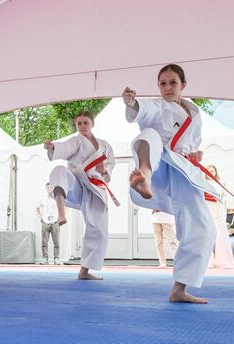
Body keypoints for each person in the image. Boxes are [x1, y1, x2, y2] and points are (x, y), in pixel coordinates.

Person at [122, 63, 220, 303]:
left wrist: (195, 155)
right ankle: (143, 175)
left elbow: (191, 143)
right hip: (158, 164)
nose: (167, 88)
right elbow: (141, 110)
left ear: (183, 85)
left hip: (182, 170)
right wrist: (131, 102)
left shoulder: (194, 113)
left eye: (173, 83)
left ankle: (179, 289)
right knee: (149, 135)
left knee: (204, 228)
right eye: (163, 83)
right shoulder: (157, 106)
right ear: (158, 86)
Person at [44, 111, 116, 280]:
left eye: (86, 123)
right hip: (76, 183)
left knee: (98, 230)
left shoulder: (105, 146)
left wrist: (103, 170)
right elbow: (64, 148)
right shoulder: (76, 141)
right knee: (59, 170)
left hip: (96, 189)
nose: (82, 126)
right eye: (79, 124)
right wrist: (52, 147)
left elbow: (109, 171)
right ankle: (61, 213)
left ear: (93, 124)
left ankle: (84, 271)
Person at [204, 165, 234, 268]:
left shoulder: (221, 183)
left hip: (219, 211)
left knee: (221, 236)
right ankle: (208, 261)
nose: (211, 173)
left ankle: (222, 261)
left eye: (212, 171)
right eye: (209, 171)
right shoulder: (203, 183)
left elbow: (226, 197)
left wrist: (221, 199)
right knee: (208, 236)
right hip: (208, 211)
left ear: (216, 172)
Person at [36, 182, 61, 265]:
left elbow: (63, 207)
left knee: (56, 242)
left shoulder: (57, 198)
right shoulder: (42, 199)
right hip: (45, 222)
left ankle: (56, 258)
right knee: (44, 242)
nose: (49, 189)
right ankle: (45, 258)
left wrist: (60, 217)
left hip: (55, 222)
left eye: (51, 187)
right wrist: (40, 218)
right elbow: (37, 208)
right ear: (46, 188)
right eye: (48, 187)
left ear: (53, 188)